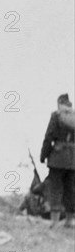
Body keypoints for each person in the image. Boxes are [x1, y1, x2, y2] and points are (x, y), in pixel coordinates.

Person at [40, 93, 75, 228]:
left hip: (58, 158)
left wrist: (43, 155)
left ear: (60, 103)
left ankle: (54, 221)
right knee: (71, 189)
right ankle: (70, 220)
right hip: (73, 160)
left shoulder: (56, 115)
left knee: (56, 188)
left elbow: (49, 137)